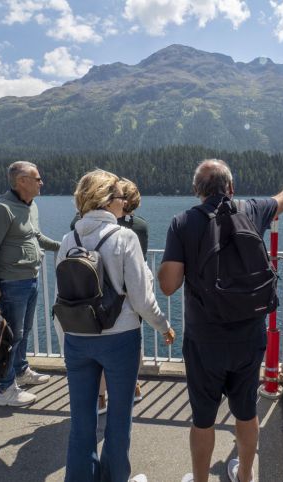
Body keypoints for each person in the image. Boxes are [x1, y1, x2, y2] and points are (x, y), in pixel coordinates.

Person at [158, 159, 283, 482]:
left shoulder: (182, 223)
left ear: (197, 192)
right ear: (231, 188)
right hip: (249, 338)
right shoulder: (252, 210)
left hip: (204, 342)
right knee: (245, 412)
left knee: (203, 419)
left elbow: (168, 285)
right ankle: (245, 474)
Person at [58, 169, 176, 482]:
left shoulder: (68, 239)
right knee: (118, 421)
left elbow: (62, 299)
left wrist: (66, 342)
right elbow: (141, 298)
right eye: (121, 197)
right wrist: (163, 326)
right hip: (119, 339)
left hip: (76, 340)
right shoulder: (125, 238)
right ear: (108, 200)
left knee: (81, 424)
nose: (125, 203)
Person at [0, 161, 60, 407]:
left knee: (23, 333)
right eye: (37, 178)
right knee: (10, 336)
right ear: (21, 182)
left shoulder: (30, 206)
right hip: (12, 283)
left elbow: (36, 236)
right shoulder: (2, 210)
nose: (41, 182)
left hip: (29, 279)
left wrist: (65, 246)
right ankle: (5, 391)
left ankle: (20, 370)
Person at [116, 178, 149, 403]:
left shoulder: (80, 223)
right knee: (132, 340)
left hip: (98, 294)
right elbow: (141, 262)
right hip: (130, 294)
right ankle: (133, 385)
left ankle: (100, 396)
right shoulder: (138, 226)